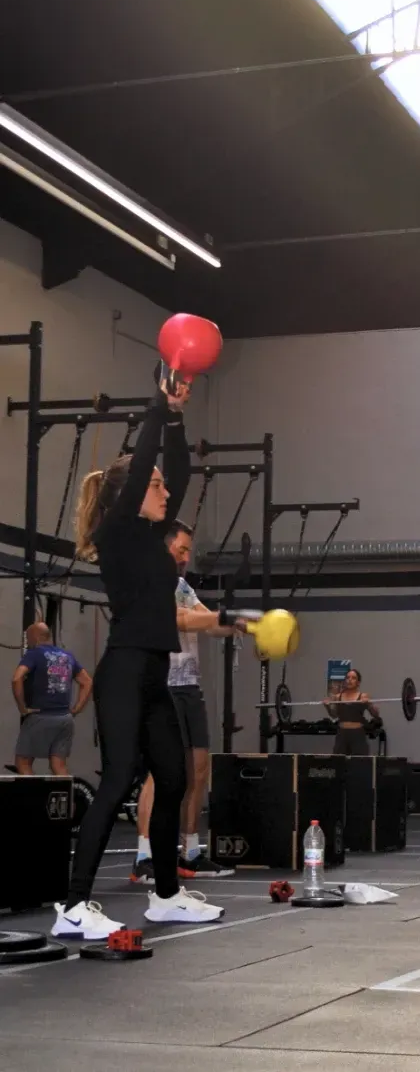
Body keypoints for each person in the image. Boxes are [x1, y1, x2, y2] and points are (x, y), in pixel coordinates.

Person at [52, 370, 226, 941]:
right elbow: (149, 461)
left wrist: (175, 414)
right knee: (120, 776)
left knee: (174, 778)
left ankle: (167, 897)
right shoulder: (121, 531)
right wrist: (155, 407)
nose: (165, 491)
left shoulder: (152, 538)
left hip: (155, 670)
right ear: (131, 495)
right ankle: (74, 905)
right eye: (154, 486)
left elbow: (178, 469)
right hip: (124, 669)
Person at [131, 520, 239, 885]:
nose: (187, 555)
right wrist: (220, 617)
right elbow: (181, 620)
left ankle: (190, 851)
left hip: (189, 686)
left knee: (198, 769)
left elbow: (210, 624)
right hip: (161, 683)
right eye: (182, 548)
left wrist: (245, 624)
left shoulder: (182, 586)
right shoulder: (152, 583)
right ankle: (144, 857)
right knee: (159, 773)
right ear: (165, 548)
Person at [11, 623, 92, 776]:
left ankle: (34, 799)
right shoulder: (67, 656)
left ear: (36, 637)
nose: (27, 642)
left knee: (23, 761)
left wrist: (22, 708)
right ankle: (67, 800)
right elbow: (87, 681)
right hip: (65, 719)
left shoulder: (34, 654)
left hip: (41, 716)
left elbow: (17, 678)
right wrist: (76, 709)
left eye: (28, 638)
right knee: (58, 765)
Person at [325, 666, 379, 756]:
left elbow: (376, 714)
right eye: (348, 677)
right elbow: (334, 715)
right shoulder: (338, 697)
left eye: (353, 678)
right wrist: (327, 706)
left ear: (358, 682)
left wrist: (369, 704)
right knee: (339, 763)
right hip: (342, 734)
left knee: (359, 764)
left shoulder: (363, 696)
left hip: (357, 734)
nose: (350, 680)